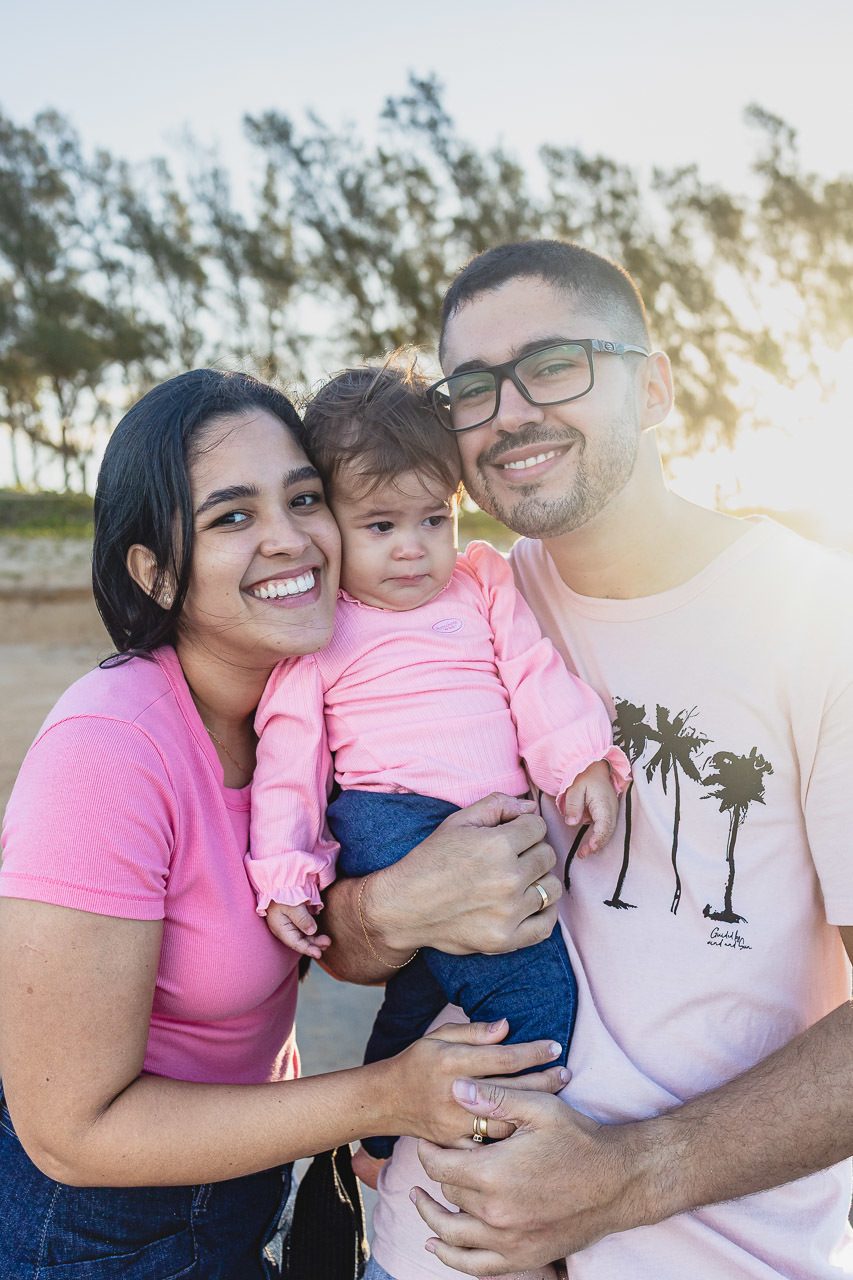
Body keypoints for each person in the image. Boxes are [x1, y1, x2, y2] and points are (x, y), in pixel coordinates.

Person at [0, 368, 569, 1280]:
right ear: (153, 570)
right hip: (91, 1241)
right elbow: (70, 1133)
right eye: (232, 516)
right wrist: (384, 1097)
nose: (289, 539)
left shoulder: (327, 711)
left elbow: (335, 939)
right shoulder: (109, 748)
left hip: (237, 1200)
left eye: (303, 498)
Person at [360, 240, 853, 1280]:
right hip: (437, 1244)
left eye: (553, 365)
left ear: (658, 385)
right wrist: (386, 907)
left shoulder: (820, 620)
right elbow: (342, 939)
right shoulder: (452, 602)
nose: (507, 412)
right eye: (473, 387)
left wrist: (627, 1175)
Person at [244, 363, 630, 1212]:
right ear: (331, 526)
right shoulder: (322, 627)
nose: (413, 546)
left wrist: (578, 762)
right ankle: (511, 1156)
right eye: (380, 525)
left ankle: (379, 1146)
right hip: (388, 819)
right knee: (532, 990)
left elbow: (531, 673)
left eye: (433, 518)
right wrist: (284, 871)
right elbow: (289, 759)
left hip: (494, 815)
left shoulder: (482, 583)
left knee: (423, 991)